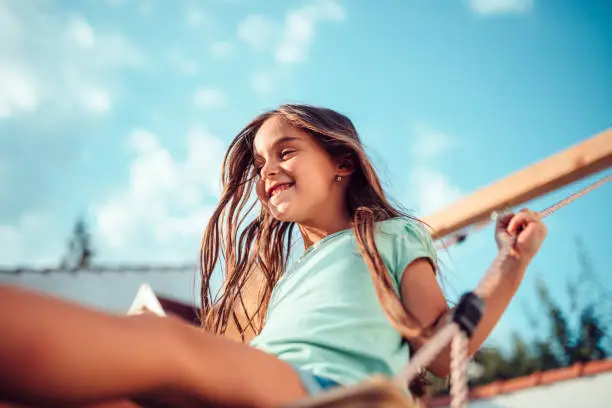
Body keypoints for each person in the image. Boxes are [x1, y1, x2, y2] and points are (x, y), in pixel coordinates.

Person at [0, 104, 548, 408]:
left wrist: (510, 262)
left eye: (286, 151)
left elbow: (444, 346)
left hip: (337, 395)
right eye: (260, 162)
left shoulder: (392, 237)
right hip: (273, 385)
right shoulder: (285, 278)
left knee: (162, 342)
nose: (267, 171)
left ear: (342, 163)